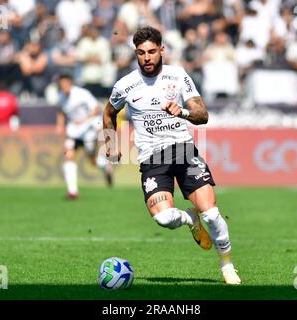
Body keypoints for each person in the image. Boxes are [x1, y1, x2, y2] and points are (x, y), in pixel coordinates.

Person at [102, 26, 241, 285]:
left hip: (184, 152)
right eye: (141, 53)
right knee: (164, 218)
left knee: (211, 214)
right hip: (152, 160)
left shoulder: (178, 76)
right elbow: (108, 113)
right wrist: (109, 144)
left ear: (161, 50)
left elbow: (203, 115)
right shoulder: (125, 85)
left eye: (152, 51)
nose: (147, 58)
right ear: (136, 53)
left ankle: (227, 265)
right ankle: (190, 218)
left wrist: (183, 112)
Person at [56, 74, 113, 200]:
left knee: (92, 161)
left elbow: (97, 109)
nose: (64, 87)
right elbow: (60, 111)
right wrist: (60, 125)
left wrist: (84, 121)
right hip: (73, 132)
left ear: (71, 83)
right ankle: (72, 191)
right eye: (61, 85)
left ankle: (105, 167)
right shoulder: (60, 97)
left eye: (66, 83)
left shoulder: (82, 94)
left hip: (88, 130)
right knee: (68, 156)